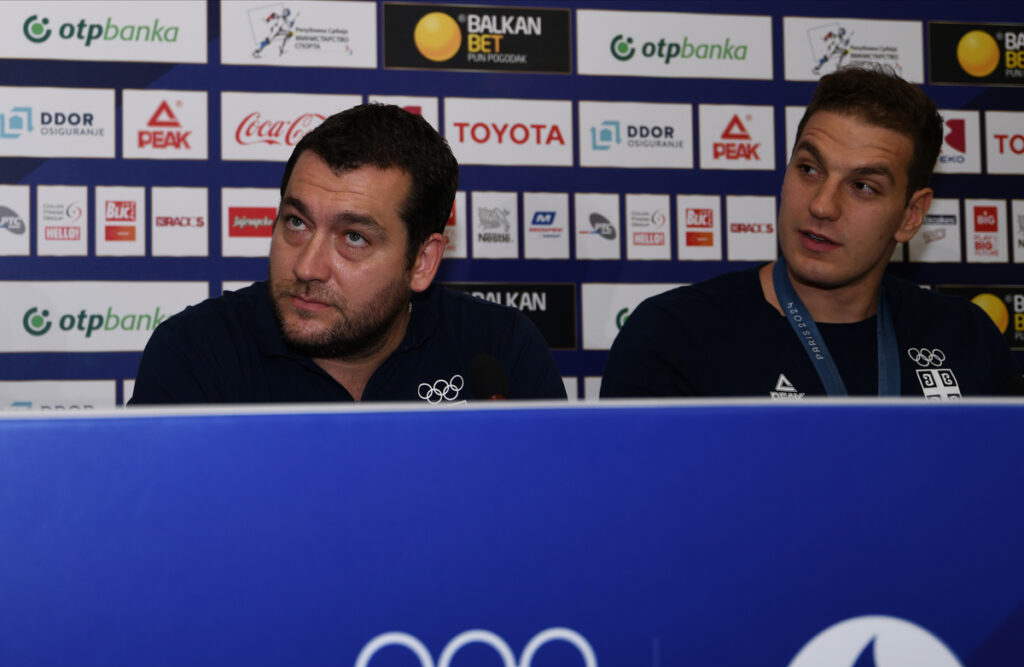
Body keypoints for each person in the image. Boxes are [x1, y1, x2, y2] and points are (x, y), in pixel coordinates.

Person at [601, 66, 1019, 399]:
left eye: (863, 186)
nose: (821, 205)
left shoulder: (968, 339)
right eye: (809, 169)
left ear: (911, 215)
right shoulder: (673, 336)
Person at [130, 103, 566, 404]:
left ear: (422, 262)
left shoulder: (500, 349)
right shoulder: (197, 351)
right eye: (297, 223)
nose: (306, 266)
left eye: (354, 238)